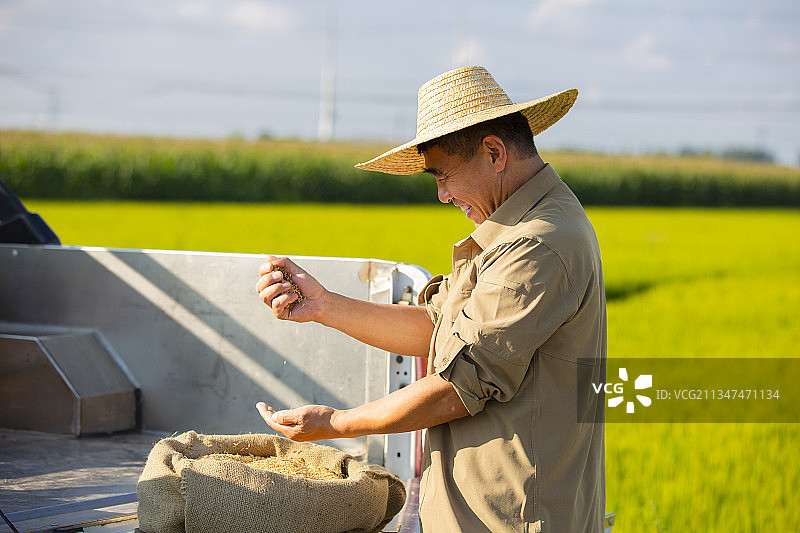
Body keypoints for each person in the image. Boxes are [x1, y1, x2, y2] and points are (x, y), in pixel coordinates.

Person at [255, 66, 606, 533]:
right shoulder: (514, 230)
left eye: (442, 176)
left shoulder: (538, 244)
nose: (441, 195)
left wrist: (338, 424)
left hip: (510, 519)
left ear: (494, 153)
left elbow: (458, 385)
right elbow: (437, 327)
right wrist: (324, 305)